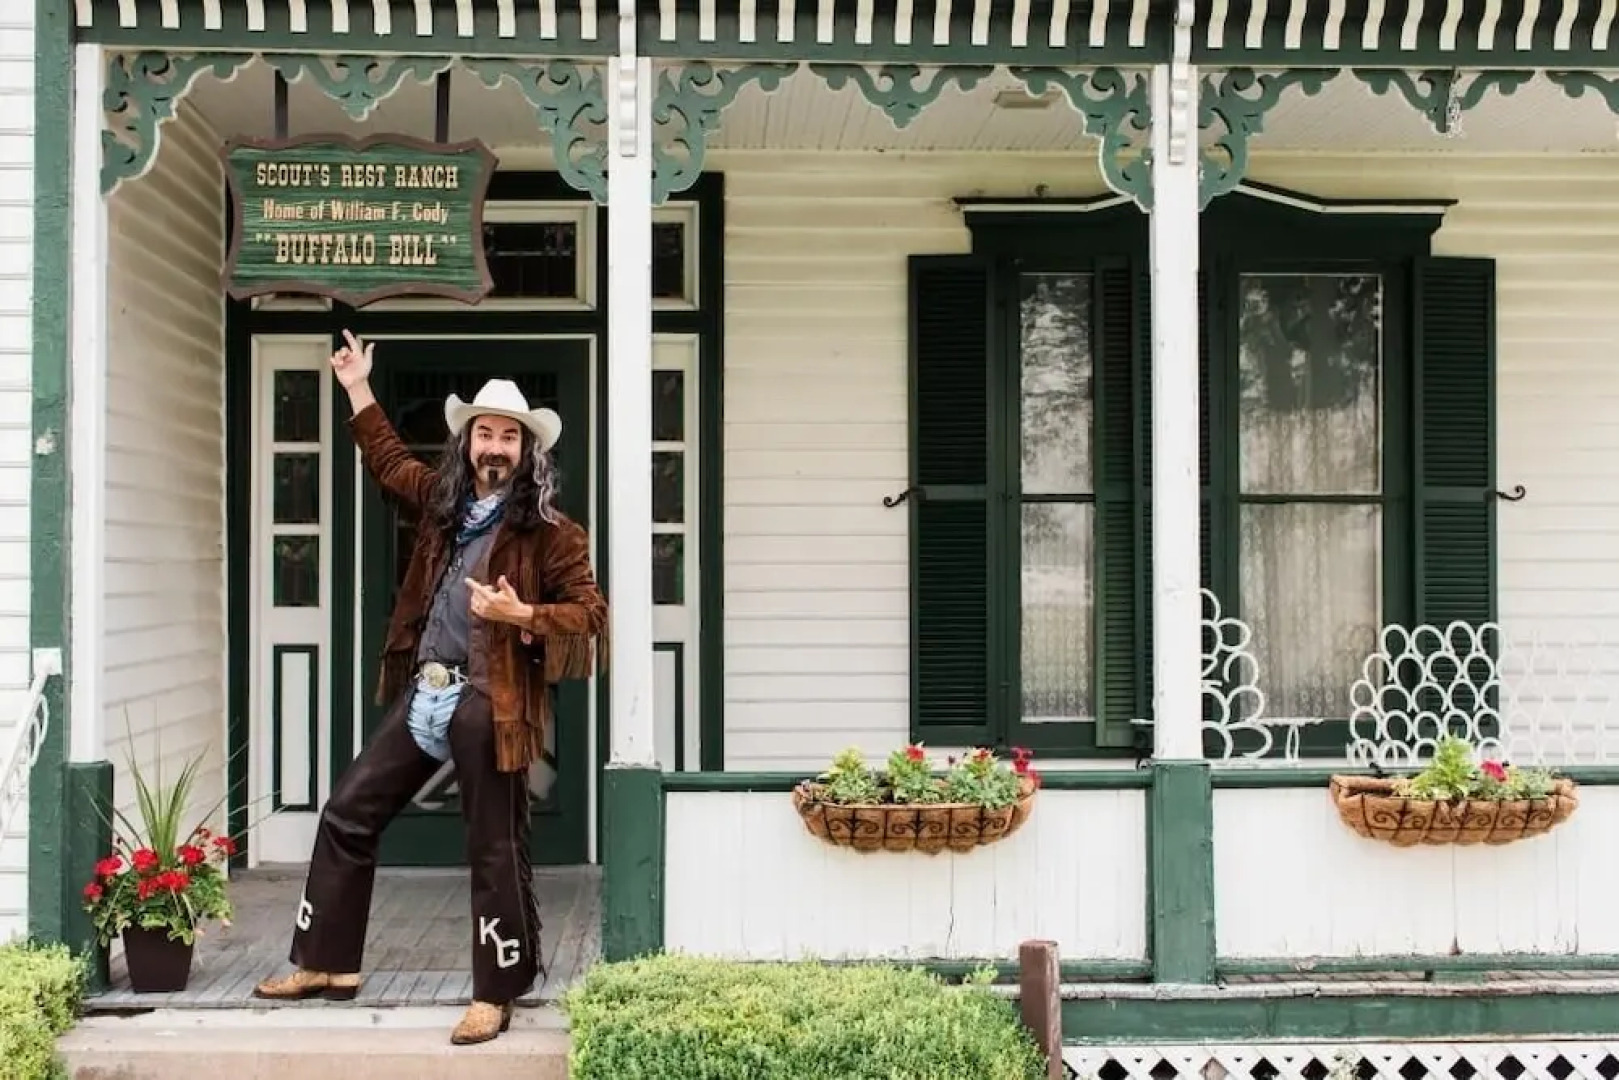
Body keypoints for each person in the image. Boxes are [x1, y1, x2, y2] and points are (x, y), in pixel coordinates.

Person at [253, 331, 607, 1045]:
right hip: (427, 691)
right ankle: (326, 964)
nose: (496, 447)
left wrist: (523, 614)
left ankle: (495, 992)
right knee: (348, 811)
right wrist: (357, 385)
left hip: (491, 702)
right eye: (486, 433)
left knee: (492, 845)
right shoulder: (442, 507)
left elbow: (592, 615)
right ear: (468, 443)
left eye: (510, 435)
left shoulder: (550, 533)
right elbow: (386, 460)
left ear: (528, 451)